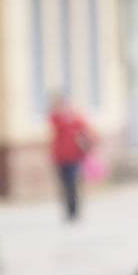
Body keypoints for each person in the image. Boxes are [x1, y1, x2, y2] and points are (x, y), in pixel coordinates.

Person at [48, 93, 94, 221]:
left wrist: (86, 146)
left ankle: (74, 210)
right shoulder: (56, 119)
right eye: (61, 105)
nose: (64, 108)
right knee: (64, 184)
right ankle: (67, 210)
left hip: (75, 157)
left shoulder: (77, 119)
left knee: (73, 183)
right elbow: (52, 123)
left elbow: (88, 132)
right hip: (60, 157)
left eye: (66, 105)